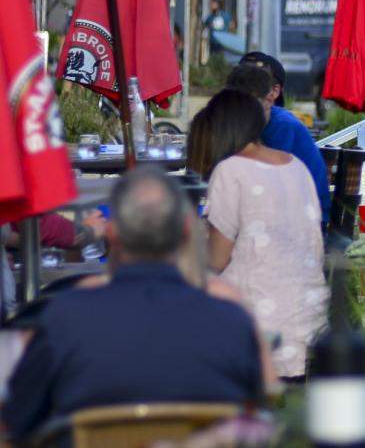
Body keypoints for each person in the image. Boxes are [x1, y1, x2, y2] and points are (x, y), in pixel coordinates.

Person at [2, 168, 263, 439]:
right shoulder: (232, 320)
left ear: (112, 232)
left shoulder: (64, 317)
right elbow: (257, 414)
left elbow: (17, 419)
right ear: (187, 229)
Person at [188, 89, 328, 381]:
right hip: (311, 320)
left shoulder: (230, 170)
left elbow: (215, 260)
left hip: (259, 327)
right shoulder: (295, 165)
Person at [226, 60, 331, 227]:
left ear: (270, 98)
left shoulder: (282, 126)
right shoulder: (251, 124)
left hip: (306, 219)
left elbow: (270, 185)